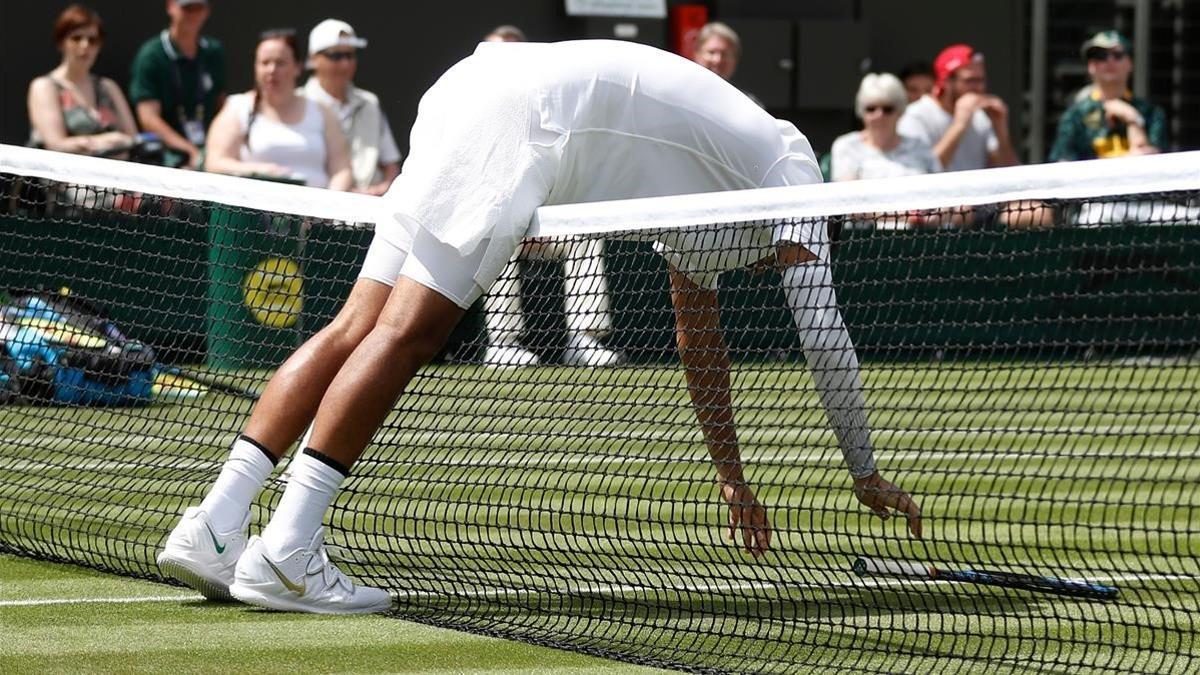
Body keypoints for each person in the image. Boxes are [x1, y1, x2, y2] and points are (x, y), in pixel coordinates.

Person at [157, 39, 922, 615]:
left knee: (358, 322)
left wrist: (731, 477)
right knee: (409, 333)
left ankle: (216, 525)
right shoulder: (794, 175)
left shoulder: (714, 194)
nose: (771, 270)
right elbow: (822, 332)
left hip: (474, 83)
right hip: (523, 120)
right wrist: (862, 470)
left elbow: (700, 343)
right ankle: (288, 549)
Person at [478, 26, 621, 367]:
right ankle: (503, 343)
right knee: (498, 236)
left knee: (584, 235)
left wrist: (548, 220)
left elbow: (563, 170)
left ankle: (584, 340)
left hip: (546, 223)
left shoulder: (548, 107)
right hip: (499, 223)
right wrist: (519, 223)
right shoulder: (479, 111)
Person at [899, 44, 1049, 228]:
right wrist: (959, 124)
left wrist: (1001, 128)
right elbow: (925, 171)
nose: (977, 88)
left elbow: (1010, 175)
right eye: (970, 81)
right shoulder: (916, 115)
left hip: (979, 206)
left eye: (981, 80)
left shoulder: (980, 118)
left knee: (1038, 213)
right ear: (946, 81)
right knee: (962, 211)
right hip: (935, 209)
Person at [204, 30, 352, 190]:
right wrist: (259, 171)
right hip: (255, 210)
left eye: (280, 63)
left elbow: (342, 170)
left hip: (315, 210)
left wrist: (328, 206)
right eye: (265, 62)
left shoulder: (322, 111)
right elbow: (215, 163)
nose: (272, 70)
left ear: (298, 67)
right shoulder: (237, 107)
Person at [302, 19, 402, 195]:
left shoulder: (370, 102)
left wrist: (378, 192)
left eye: (350, 56)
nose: (345, 64)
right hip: (311, 213)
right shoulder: (298, 104)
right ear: (313, 59)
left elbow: (391, 165)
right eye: (336, 56)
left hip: (367, 211)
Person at [28, 5, 138, 157]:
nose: (85, 45)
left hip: (112, 177)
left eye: (92, 40)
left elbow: (133, 139)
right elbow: (55, 144)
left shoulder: (108, 87)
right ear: (62, 42)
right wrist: (104, 142)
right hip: (63, 178)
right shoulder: (45, 86)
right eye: (76, 38)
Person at [129, 0, 227, 168]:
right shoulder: (151, 55)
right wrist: (191, 151)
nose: (193, 14)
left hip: (211, 150)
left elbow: (221, 104)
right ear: (170, 7)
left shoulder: (213, 52)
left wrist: (216, 148)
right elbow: (148, 118)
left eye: (199, 8)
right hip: (169, 155)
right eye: (187, 8)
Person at [1049, 30, 1167, 162]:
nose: (1109, 61)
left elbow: (1154, 164)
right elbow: (1063, 165)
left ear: (1130, 63)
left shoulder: (1151, 113)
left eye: (1117, 55)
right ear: (1090, 66)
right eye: (1100, 56)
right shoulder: (1074, 116)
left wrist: (1134, 119)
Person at [831, 73, 940, 181]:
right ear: (861, 112)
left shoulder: (919, 146)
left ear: (900, 111)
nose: (879, 115)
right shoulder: (848, 146)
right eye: (871, 109)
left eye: (887, 109)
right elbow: (846, 192)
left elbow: (937, 186)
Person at [692, 22, 763, 108]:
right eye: (711, 52)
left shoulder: (748, 105)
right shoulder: (681, 94)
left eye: (725, 54)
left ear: (735, 60)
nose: (717, 60)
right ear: (697, 54)